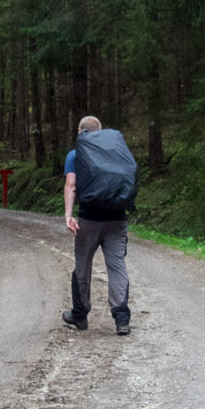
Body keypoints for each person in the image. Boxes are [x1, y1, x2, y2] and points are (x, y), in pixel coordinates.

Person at [63, 115, 133, 336]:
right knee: (117, 267)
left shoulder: (76, 154)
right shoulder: (116, 152)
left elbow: (71, 183)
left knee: (83, 265)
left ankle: (80, 315)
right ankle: (122, 319)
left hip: (89, 219)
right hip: (117, 219)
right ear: (101, 131)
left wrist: (68, 214)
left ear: (80, 131)